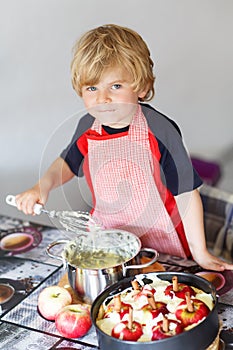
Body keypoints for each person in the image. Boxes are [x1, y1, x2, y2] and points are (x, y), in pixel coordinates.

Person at [15, 24, 232, 271]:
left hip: (162, 243)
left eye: (115, 86)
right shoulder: (87, 126)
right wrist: (41, 187)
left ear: (141, 87)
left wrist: (200, 252)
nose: (102, 99)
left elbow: (186, 193)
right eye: (92, 88)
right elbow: (67, 163)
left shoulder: (160, 129)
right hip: (109, 239)